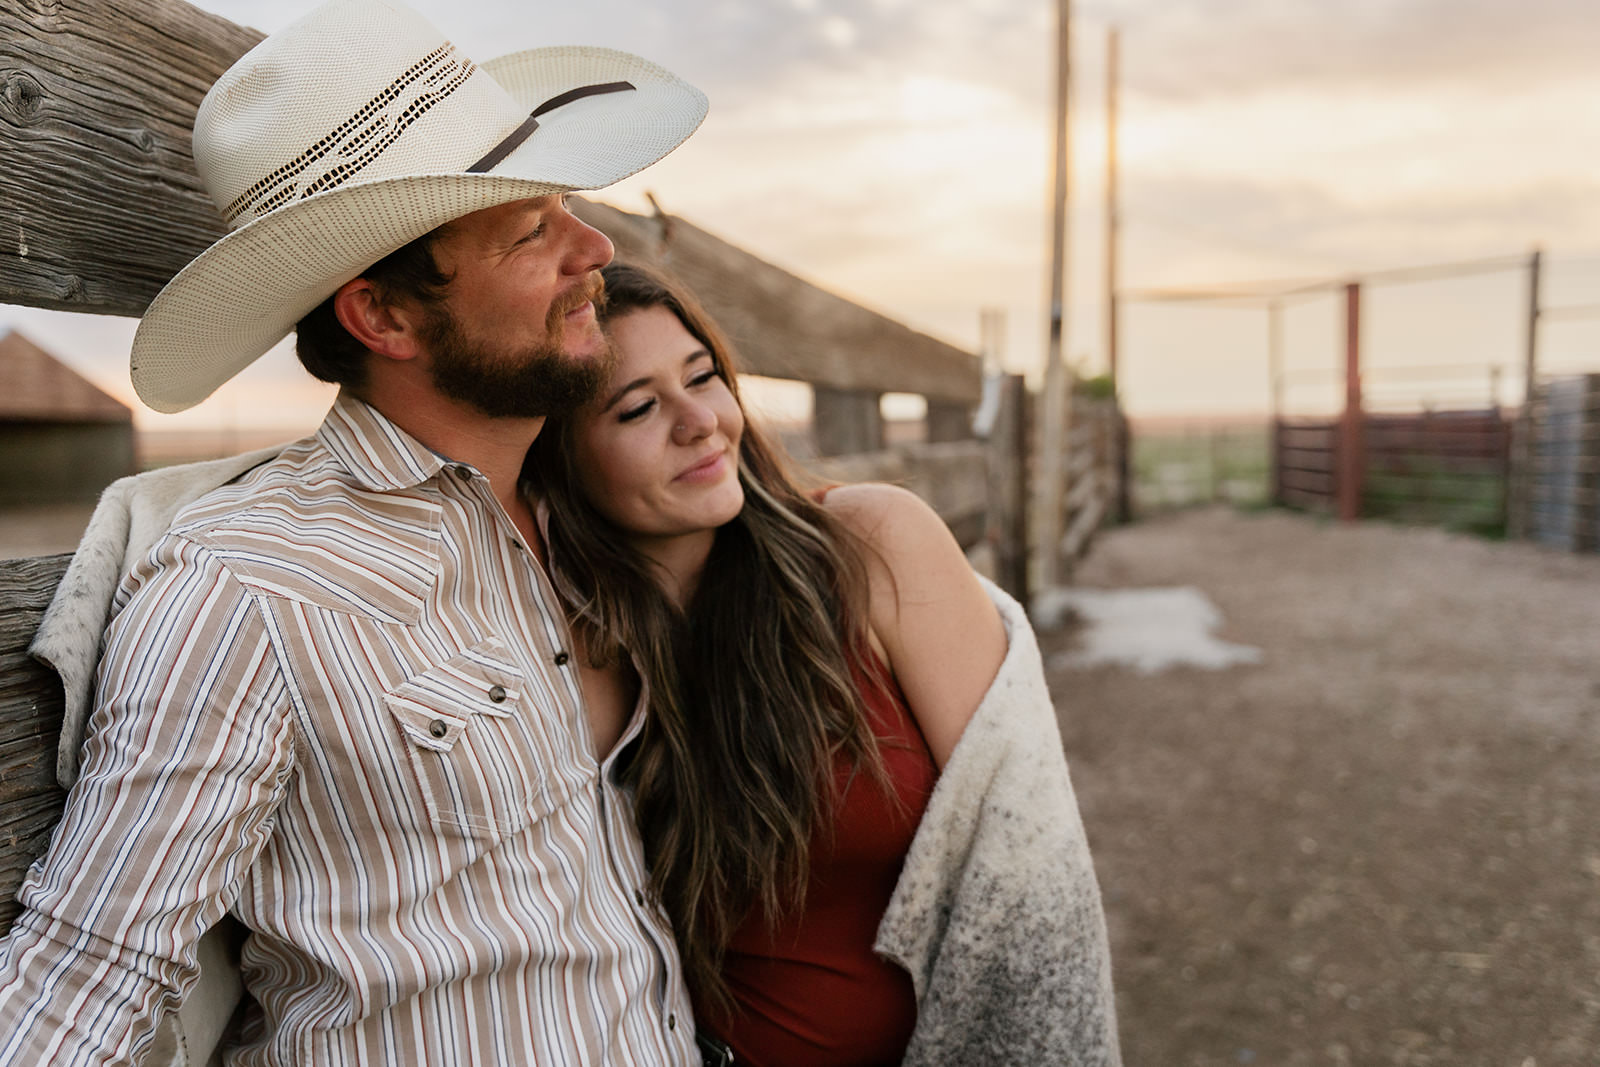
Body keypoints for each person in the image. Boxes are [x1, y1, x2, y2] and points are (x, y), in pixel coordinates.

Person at [0, 1, 711, 1063]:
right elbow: (88, 969)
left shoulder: (566, 514)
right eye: (530, 231)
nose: (595, 245)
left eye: (564, 204)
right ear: (383, 316)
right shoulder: (251, 587)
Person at [526, 263, 1122, 1065]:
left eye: (703, 377)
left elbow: (1032, 869)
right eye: (637, 407)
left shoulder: (872, 545)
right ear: (562, 459)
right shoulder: (574, 649)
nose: (699, 420)